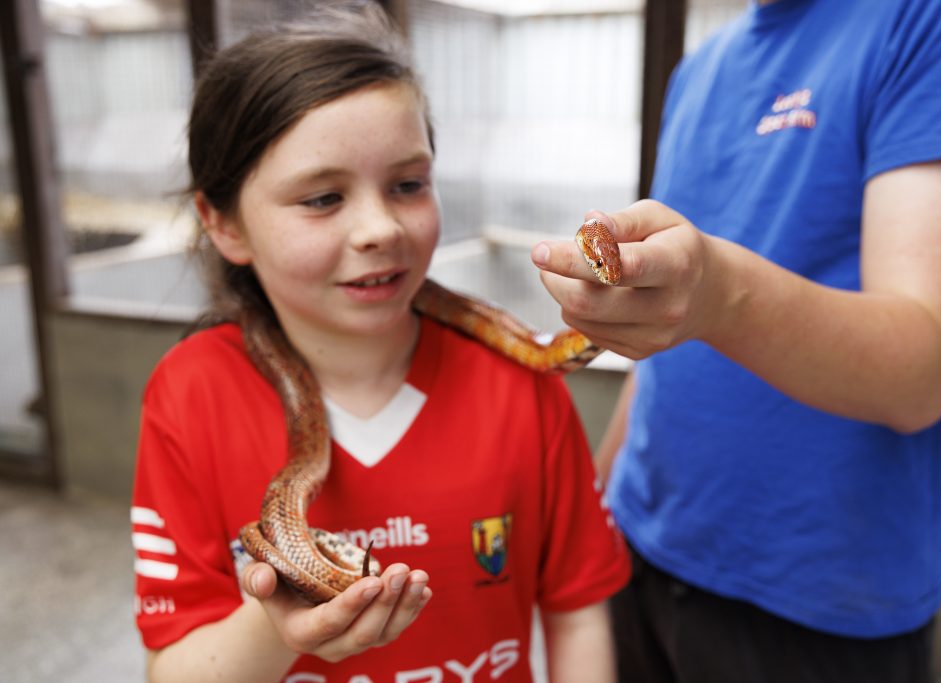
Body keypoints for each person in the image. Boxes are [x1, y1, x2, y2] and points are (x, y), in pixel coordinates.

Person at [130, 4, 629, 682]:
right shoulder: (190, 393)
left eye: (407, 185)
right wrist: (277, 625)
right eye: (322, 198)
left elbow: (577, 612)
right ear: (223, 224)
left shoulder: (522, 383)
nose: (380, 228)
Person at [531, 0, 941, 680]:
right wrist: (596, 505)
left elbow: (919, 372)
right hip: (639, 549)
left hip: (818, 606)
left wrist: (718, 292)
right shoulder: (699, 70)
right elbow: (666, 343)